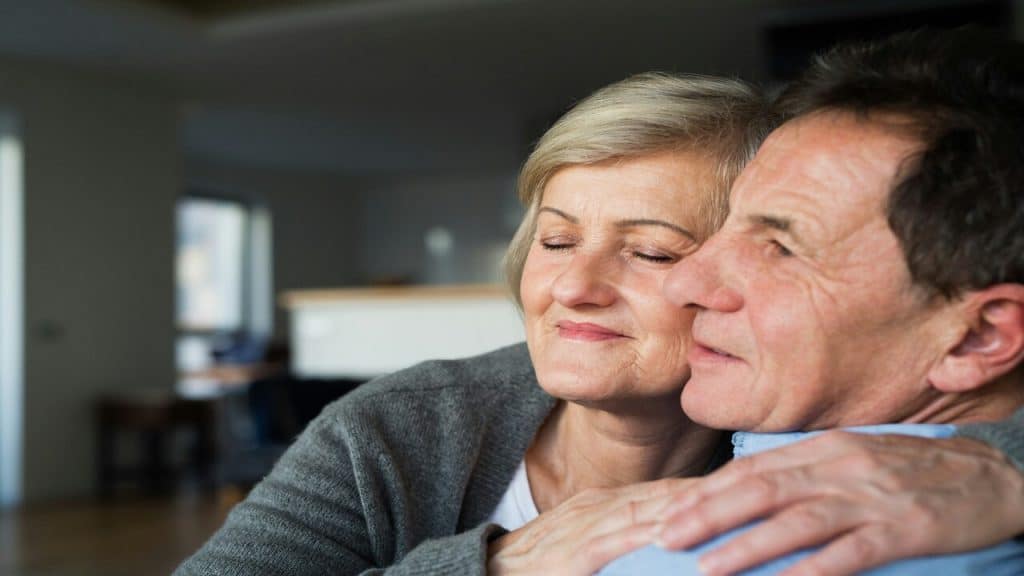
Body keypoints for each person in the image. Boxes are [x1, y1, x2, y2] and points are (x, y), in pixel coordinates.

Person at [176, 72, 1024, 576]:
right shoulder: (409, 425)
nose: (574, 286)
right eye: (555, 239)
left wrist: (1001, 474)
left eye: (653, 252)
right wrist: (497, 566)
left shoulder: (811, 412)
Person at [603, 28, 1024, 575]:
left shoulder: (734, 554)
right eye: (727, 222)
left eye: (780, 248)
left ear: (977, 337)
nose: (682, 284)